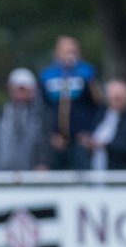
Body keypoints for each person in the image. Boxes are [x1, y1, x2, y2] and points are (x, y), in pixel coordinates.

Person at [39, 35, 102, 170]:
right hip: (56, 140)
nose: (69, 54)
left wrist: (89, 132)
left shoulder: (87, 73)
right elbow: (42, 108)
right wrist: (51, 134)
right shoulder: (47, 75)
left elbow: (98, 105)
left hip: (80, 140)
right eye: (65, 50)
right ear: (57, 52)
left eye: (72, 50)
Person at [0, 68, 52, 171]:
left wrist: (43, 162)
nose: (20, 92)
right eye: (17, 88)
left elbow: (46, 141)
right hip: (2, 169)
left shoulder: (41, 113)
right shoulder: (2, 112)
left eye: (23, 89)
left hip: (31, 170)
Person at [81, 79, 126, 170]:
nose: (116, 102)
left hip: (124, 174)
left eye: (119, 98)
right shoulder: (101, 114)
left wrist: (107, 146)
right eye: (113, 98)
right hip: (97, 170)